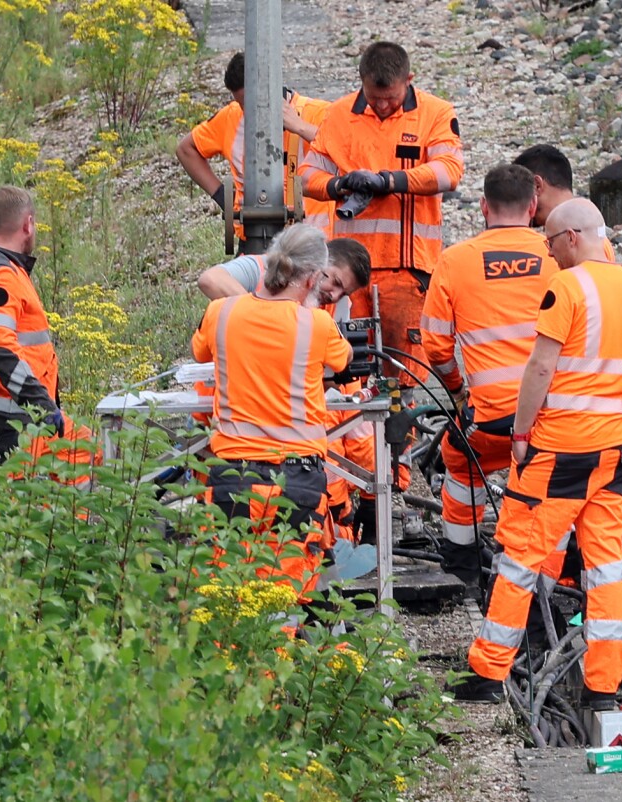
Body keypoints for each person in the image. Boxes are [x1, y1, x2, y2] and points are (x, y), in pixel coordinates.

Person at [458, 199, 622, 708]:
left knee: (520, 558)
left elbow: (541, 368)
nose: (549, 256)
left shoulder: (568, 287)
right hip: (615, 452)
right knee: (606, 566)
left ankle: (488, 672)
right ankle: (603, 686)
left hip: (559, 451)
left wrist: (522, 433)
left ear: (571, 237)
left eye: (549, 244)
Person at [192, 224, 352, 599]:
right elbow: (343, 359)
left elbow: (199, 352)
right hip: (296, 482)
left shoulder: (220, 313)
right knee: (282, 602)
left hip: (232, 476)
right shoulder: (317, 324)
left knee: (227, 598)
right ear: (313, 278)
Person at [420, 164, 559, 589]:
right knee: (556, 483)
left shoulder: (454, 261)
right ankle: (550, 573)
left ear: (483, 206)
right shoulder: (557, 255)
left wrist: (459, 391)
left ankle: (462, 564)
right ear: (534, 206)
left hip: (490, 418)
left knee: (460, 459)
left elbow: (436, 347)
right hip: (552, 419)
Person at [300, 41, 464, 387]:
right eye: (375, 98)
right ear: (361, 81)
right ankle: (344, 439)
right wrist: (339, 185)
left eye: (391, 97)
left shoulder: (435, 113)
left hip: (407, 271)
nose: (384, 105)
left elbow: (449, 172)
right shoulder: (340, 115)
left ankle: (403, 441)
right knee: (342, 368)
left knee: (402, 374)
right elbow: (307, 176)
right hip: (347, 272)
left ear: (409, 80)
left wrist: (390, 181)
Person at [0, 185, 96, 480]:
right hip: (3, 422)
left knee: (80, 449)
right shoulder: (0, 275)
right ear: (28, 224)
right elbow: (0, 350)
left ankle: (62, 525)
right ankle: (57, 523)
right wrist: (40, 405)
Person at [176, 52, 334, 251]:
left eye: (254, 105)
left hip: (312, 246)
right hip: (254, 241)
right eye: (243, 105)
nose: (249, 113)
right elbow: (186, 149)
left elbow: (347, 151)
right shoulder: (232, 116)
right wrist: (222, 196)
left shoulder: (317, 112)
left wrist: (300, 127)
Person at [197, 235, 371, 305]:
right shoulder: (262, 267)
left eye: (343, 294)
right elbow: (210, 280)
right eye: (336, 282)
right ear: (321, 260)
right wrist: (260, 317)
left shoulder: (323, 309)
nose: (334, 296)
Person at [513, 144, 617, 261]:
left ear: (537, 185)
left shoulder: (558, 246)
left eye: (520, 194)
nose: (520, 206)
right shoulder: (599, 242)